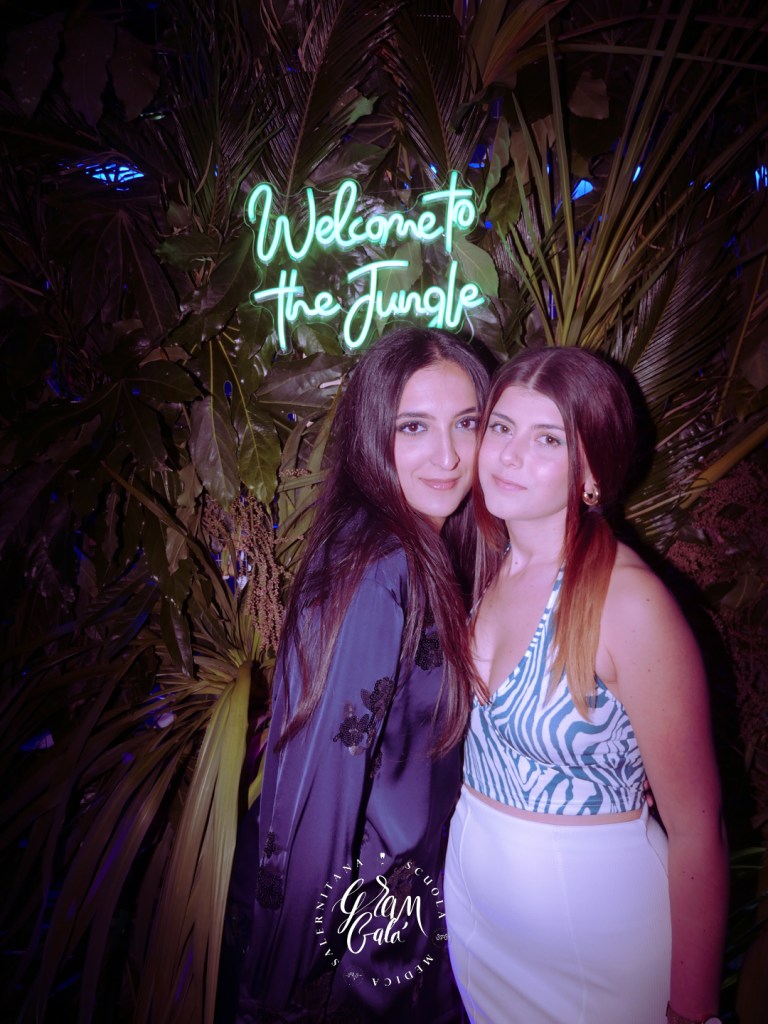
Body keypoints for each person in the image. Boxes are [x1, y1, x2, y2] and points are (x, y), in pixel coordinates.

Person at [444, 347, 728, 1024]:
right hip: (479, 926)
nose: (510, 455)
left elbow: (698, 828)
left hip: (590, 943)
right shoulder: (485, 565)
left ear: (592, 472)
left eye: (548, 439)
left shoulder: (628, 602)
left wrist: (692, 1013)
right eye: (501, 427)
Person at [233, 327, 491, 1024]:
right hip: (361, 943)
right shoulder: (381, 567)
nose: (447, 456)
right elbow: (318, 786)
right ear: (375, 434)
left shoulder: (422, 549)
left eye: (466, 424)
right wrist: (286, 986)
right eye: (415, 427)